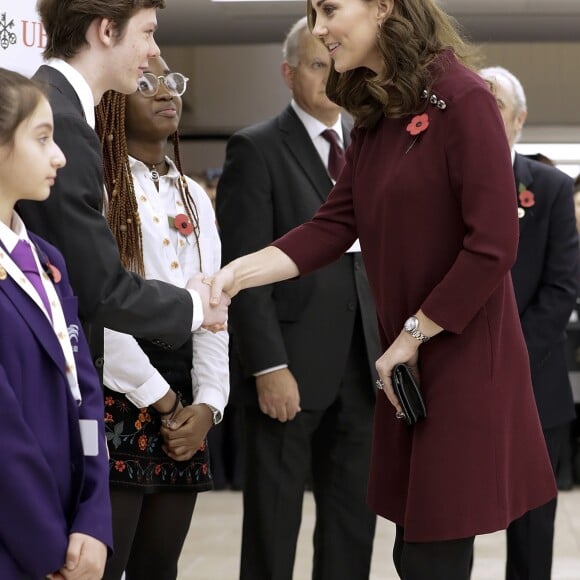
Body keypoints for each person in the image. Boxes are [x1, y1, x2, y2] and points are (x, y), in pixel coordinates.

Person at [207, 1, 558, 578]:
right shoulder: (380, 112)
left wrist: (412, 335)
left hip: (459, 362)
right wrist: (236, 274)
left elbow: (493, 246)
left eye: (329, 10)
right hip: (406, 368)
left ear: (383, 7)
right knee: (410, 548)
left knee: (430, 554)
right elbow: (332, 225)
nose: (319, 30)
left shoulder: (465, 99)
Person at [216, 16, 381, 580]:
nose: (330, 74)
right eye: (316, 63)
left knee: (352, 521)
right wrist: (268, 364)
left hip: (363, 361)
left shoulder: (370, 141)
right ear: (288, 73)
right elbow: (244, 266)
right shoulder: (256, 149)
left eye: (334, 61)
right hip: (288, 364)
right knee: (274, 520)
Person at [16, 0, 229, 389]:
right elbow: (97, 287)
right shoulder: (62, 120)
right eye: (147, 32)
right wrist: (195, 305)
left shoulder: (52, 104)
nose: (154, 51)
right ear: (106, 31)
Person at [94, 55, 229, 580]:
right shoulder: (101, 189)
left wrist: (208, 405)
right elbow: (104, 306)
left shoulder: (194, 195)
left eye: (172, 81)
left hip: (185, 404)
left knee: (159, 567)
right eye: (146, 82)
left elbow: (215, 308)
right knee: (105, 563)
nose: (164, 91)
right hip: (119, 386)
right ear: (114, 100)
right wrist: (165, 402)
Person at [0, 68, 111, 579]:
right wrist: (49, 550)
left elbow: (84, 393)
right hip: (21, 546)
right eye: (42, 138)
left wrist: (92, 519)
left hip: (72, 533)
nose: (59, 156)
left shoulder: (44, 258)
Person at [479, 65, 579, 579]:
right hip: (459, 385)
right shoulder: (443, 186)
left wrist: (504, 360)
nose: (483, 111)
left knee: (533, 533)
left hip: (534, 384)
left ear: (519, 119)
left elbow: (561, 289)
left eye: (494, 103)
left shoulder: (552, 189)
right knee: (448, 525)